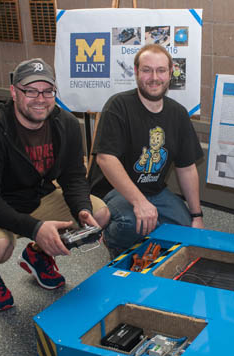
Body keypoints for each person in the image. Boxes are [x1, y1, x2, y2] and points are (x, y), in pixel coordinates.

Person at [0, 58, 110, 312]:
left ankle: (37, 254)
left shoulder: (66, 124)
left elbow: (73, 176)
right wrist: (36, 227)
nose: (41, 98)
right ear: (14, 92)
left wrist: (82, 208)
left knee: (99, 213)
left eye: (48, 91)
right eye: (31, 91)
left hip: (37, 197)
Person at [89, 44, 204, 256]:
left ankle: (146, 234)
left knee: (186, 229)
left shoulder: (177, 114)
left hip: (155, 190)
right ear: (136, 72)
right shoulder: (118, 106)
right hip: (114, 192)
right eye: (146, 70)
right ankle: (111, 237)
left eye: (161, 70)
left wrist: (197, 216)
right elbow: (105, 159)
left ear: (170, 73)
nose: (154, 77)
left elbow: (186, 168)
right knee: (131, 223)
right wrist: (139, 202)